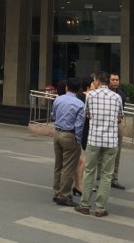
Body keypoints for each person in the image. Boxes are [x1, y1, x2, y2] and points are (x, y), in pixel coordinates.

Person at [75, 71, 123, 218]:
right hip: (111, 141)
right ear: (108, 81)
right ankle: (100, 208)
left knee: (89, 171)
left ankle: (84, 205)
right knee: (106, 175)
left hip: (94, 139)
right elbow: (120, 117)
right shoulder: (117, 97)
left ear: (96, 80)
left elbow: (87, 114)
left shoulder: (90, 96)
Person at [51, 78, 85, 207]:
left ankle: (56, 192)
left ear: (66, 88)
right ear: (79, 90)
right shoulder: (80, 104)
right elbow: (79, 125)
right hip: (70, 135)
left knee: (58, 164)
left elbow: (53, 115)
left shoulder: (58, 99)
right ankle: (64, 194)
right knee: (69, 166)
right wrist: (78, 139)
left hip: (57, 132)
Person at [73, 75, 95, 196]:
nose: (96, 85)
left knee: (83, 159)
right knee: (84, 159)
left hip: (83, 130)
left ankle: (80, 184)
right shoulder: (86, 97)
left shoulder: (81, 96)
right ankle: (79, 184)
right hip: (85, 130)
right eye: (94, 83)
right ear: (88, 86)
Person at [108, 73, 127, 190]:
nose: (115, 82)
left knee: (117, 152)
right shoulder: (104, 93)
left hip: (117, 124)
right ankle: (100, 178)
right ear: (108, 81)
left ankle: (114, 179)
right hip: (106, 125)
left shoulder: (121, 94)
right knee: (103, 153)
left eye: (117, 80)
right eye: (113, 80)